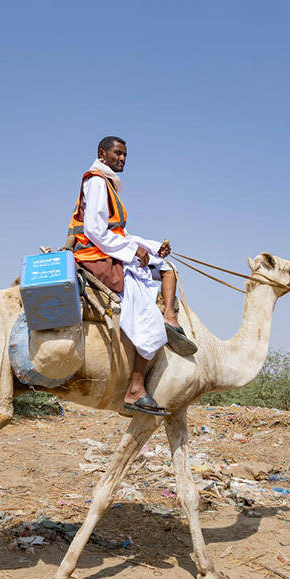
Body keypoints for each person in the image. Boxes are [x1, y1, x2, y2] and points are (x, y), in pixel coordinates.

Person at [68, 136, 197, 417]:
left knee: (167, 268)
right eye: (117, 154)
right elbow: (95, 232)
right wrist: (133, 250)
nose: (122, 159)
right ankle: (135, 388)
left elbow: (118, 233)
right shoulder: (98, 181)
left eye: (125, 155)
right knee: (145, 313)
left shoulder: (108, 184)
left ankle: (170, 319)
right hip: (95, 256)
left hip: (109, 250)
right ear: (103, 153)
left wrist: (152, 248)